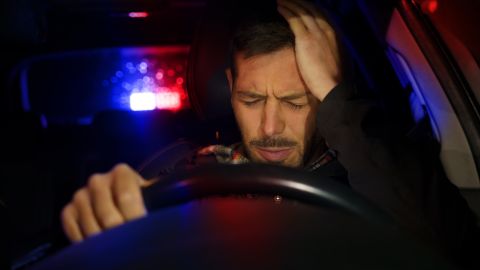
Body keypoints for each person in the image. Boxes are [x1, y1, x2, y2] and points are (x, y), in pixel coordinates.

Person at [61, 0, 479, 268]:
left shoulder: (375, 170)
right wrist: (106, 224)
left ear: (324, 95)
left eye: (297, 102)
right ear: (229, 87)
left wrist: (338, 100)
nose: (269, 129)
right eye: (251, 99)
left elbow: (440, 251)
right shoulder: (177, 171)